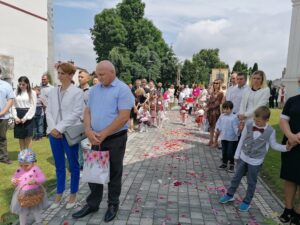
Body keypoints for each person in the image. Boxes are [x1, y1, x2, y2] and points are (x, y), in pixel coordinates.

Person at [72, 60, 134, 222]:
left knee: (114, 171)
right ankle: (92, 204)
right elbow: (88, 111)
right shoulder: (94, 90)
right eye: (97, 75)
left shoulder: (123, 90)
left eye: (102, 75)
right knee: (94, 171)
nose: (98, 78)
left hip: (115, 138)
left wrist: (104, 133)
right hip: (95, 137)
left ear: (112, 72)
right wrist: (88, 130)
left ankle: (113, 204)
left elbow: (123, 117)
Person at [219, 106, 291, 212]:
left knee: (251, 182)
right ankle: (230, 194)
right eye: (255, 120)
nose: (256, 123)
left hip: (256, 161)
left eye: (259, 121)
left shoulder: (270, 131)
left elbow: (274, 145)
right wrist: (236, 155)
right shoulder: (249, 125)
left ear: (266, 120)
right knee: (236, 177)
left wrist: (286, 148)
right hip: (243, 157)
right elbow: (242, 140)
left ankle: (247, 201)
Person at [46, 62, 84, 210]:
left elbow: (76, 113)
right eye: (58, 73)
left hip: (69, 133)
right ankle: (59, 193)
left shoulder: (77, 92)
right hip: (54, 134)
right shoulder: (53, 91)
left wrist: (60, 128)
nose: (59, 76)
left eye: (62, 73)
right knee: (59, 165)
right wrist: (53, 129)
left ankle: (73, 193)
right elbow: (48, 111)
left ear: (70, 75)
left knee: (73, 165)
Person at [278, 77, 300, 224]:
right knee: (290, 178)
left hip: (296, 141)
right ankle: (288, 209)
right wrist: (290, 136)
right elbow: (283, 119)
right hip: (291, 145)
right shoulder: (292, 101)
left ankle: (299, 213)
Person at [10, 149, 47, 225]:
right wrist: (14, 181)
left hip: (34, 193)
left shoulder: (36, 169)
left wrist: (36, 180)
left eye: (26, 165)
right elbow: (15, 178)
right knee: (22, 211)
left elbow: (43, 178)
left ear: (33, 163)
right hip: (22, 194)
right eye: (21, 165)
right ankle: (22, 223)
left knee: (35, 209)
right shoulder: (19, 170)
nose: (23, 167)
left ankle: (39, 222)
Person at [12, 76, 37, 150]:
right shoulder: (15, 92)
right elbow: (13, 105)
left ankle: (28, 156)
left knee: (28, 137)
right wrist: (15, 117)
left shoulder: (32, 93)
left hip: (28, 115)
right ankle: (22, 156)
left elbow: (33, 106)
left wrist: (25, 118)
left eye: (23, 84)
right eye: (20, 84)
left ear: (27, 84)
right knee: (21, 137)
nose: (21, 86)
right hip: (18, 115)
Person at [215, 101, 239, 172]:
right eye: (224, 109)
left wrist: (238, 131)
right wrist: (218, 129)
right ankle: (224, 163)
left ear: (231, 109)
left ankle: (232, 164)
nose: (225, 110)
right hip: (224, 136)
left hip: (232, 138)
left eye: (227, 109)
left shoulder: (234, 117)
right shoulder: (222, 116)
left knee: (230, 152)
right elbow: (218, 123)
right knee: (224, 151)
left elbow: (235, 127)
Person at [0, 67, 15, 164]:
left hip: (3, 117)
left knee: (2, 138)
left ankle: (3, 158)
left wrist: (2, 113)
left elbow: (10, 100)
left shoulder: (6, 85)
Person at [78, 70, 90, 169]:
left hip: (86, 123)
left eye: (82, 77)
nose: (79, 78)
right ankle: (80, 164)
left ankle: (89, 164)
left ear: (88, 78)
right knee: (77, 145)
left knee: (85, 145)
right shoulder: (75, 91)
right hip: (75, 123)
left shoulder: (91, 92)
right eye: (79, 76)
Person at [206, 79, 224, 147]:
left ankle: (215, 141)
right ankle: (211, 140)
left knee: (216, 127)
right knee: (211, 127)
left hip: (216, 112)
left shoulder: (220, 93)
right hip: (210, 112)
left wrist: (208, 107)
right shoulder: (212, 92)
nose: (215, 84)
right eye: (214, 83)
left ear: (219, 84)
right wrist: (206, 107)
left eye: (217, 83)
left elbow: (217, 103)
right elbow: (209, 102)